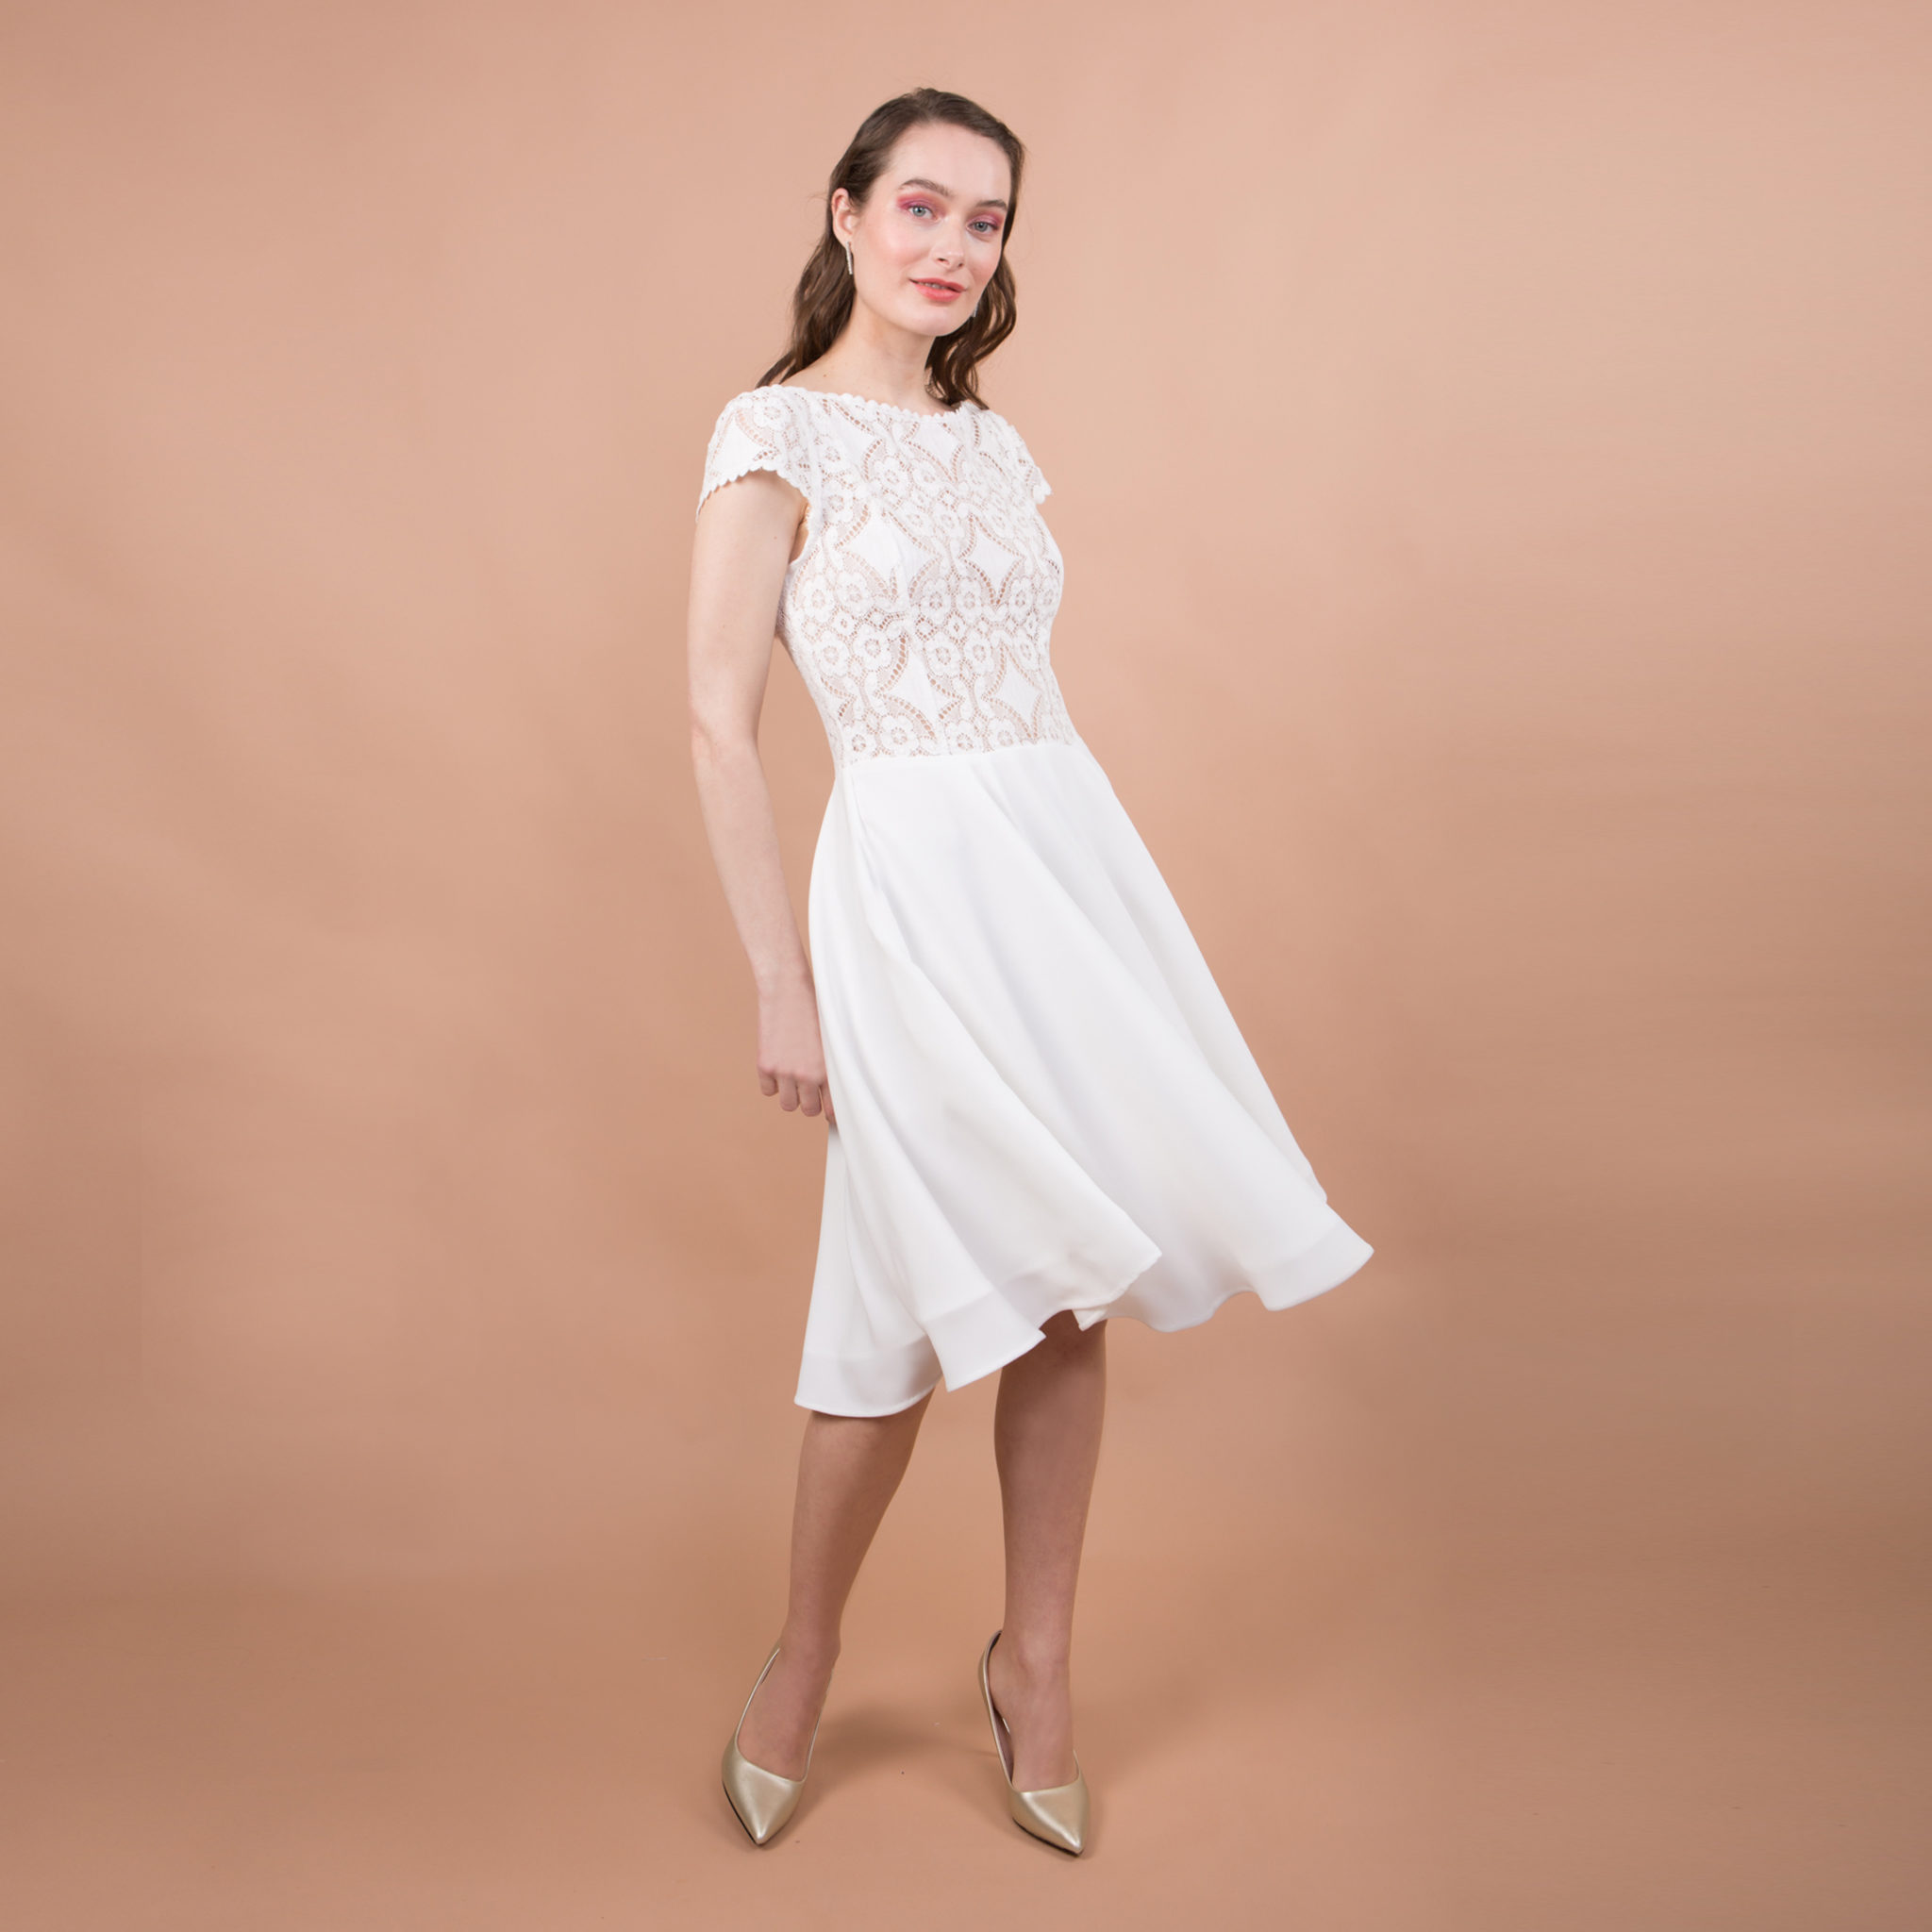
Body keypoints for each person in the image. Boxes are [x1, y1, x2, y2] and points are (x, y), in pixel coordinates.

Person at [686, 87, 1373, 1857]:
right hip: (903, 890)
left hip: (1056, 868)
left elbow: (1027, 693)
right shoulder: (774, 433)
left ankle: (1037, 1669)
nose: (951, 247)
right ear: (845, 213)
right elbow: (716, 721)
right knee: (896, 1292)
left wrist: (1104, 908)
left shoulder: (993, 447)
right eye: (919, 207)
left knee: (1072, 1269)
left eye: (983, 221)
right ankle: (806, 1652)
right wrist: (780, 980)